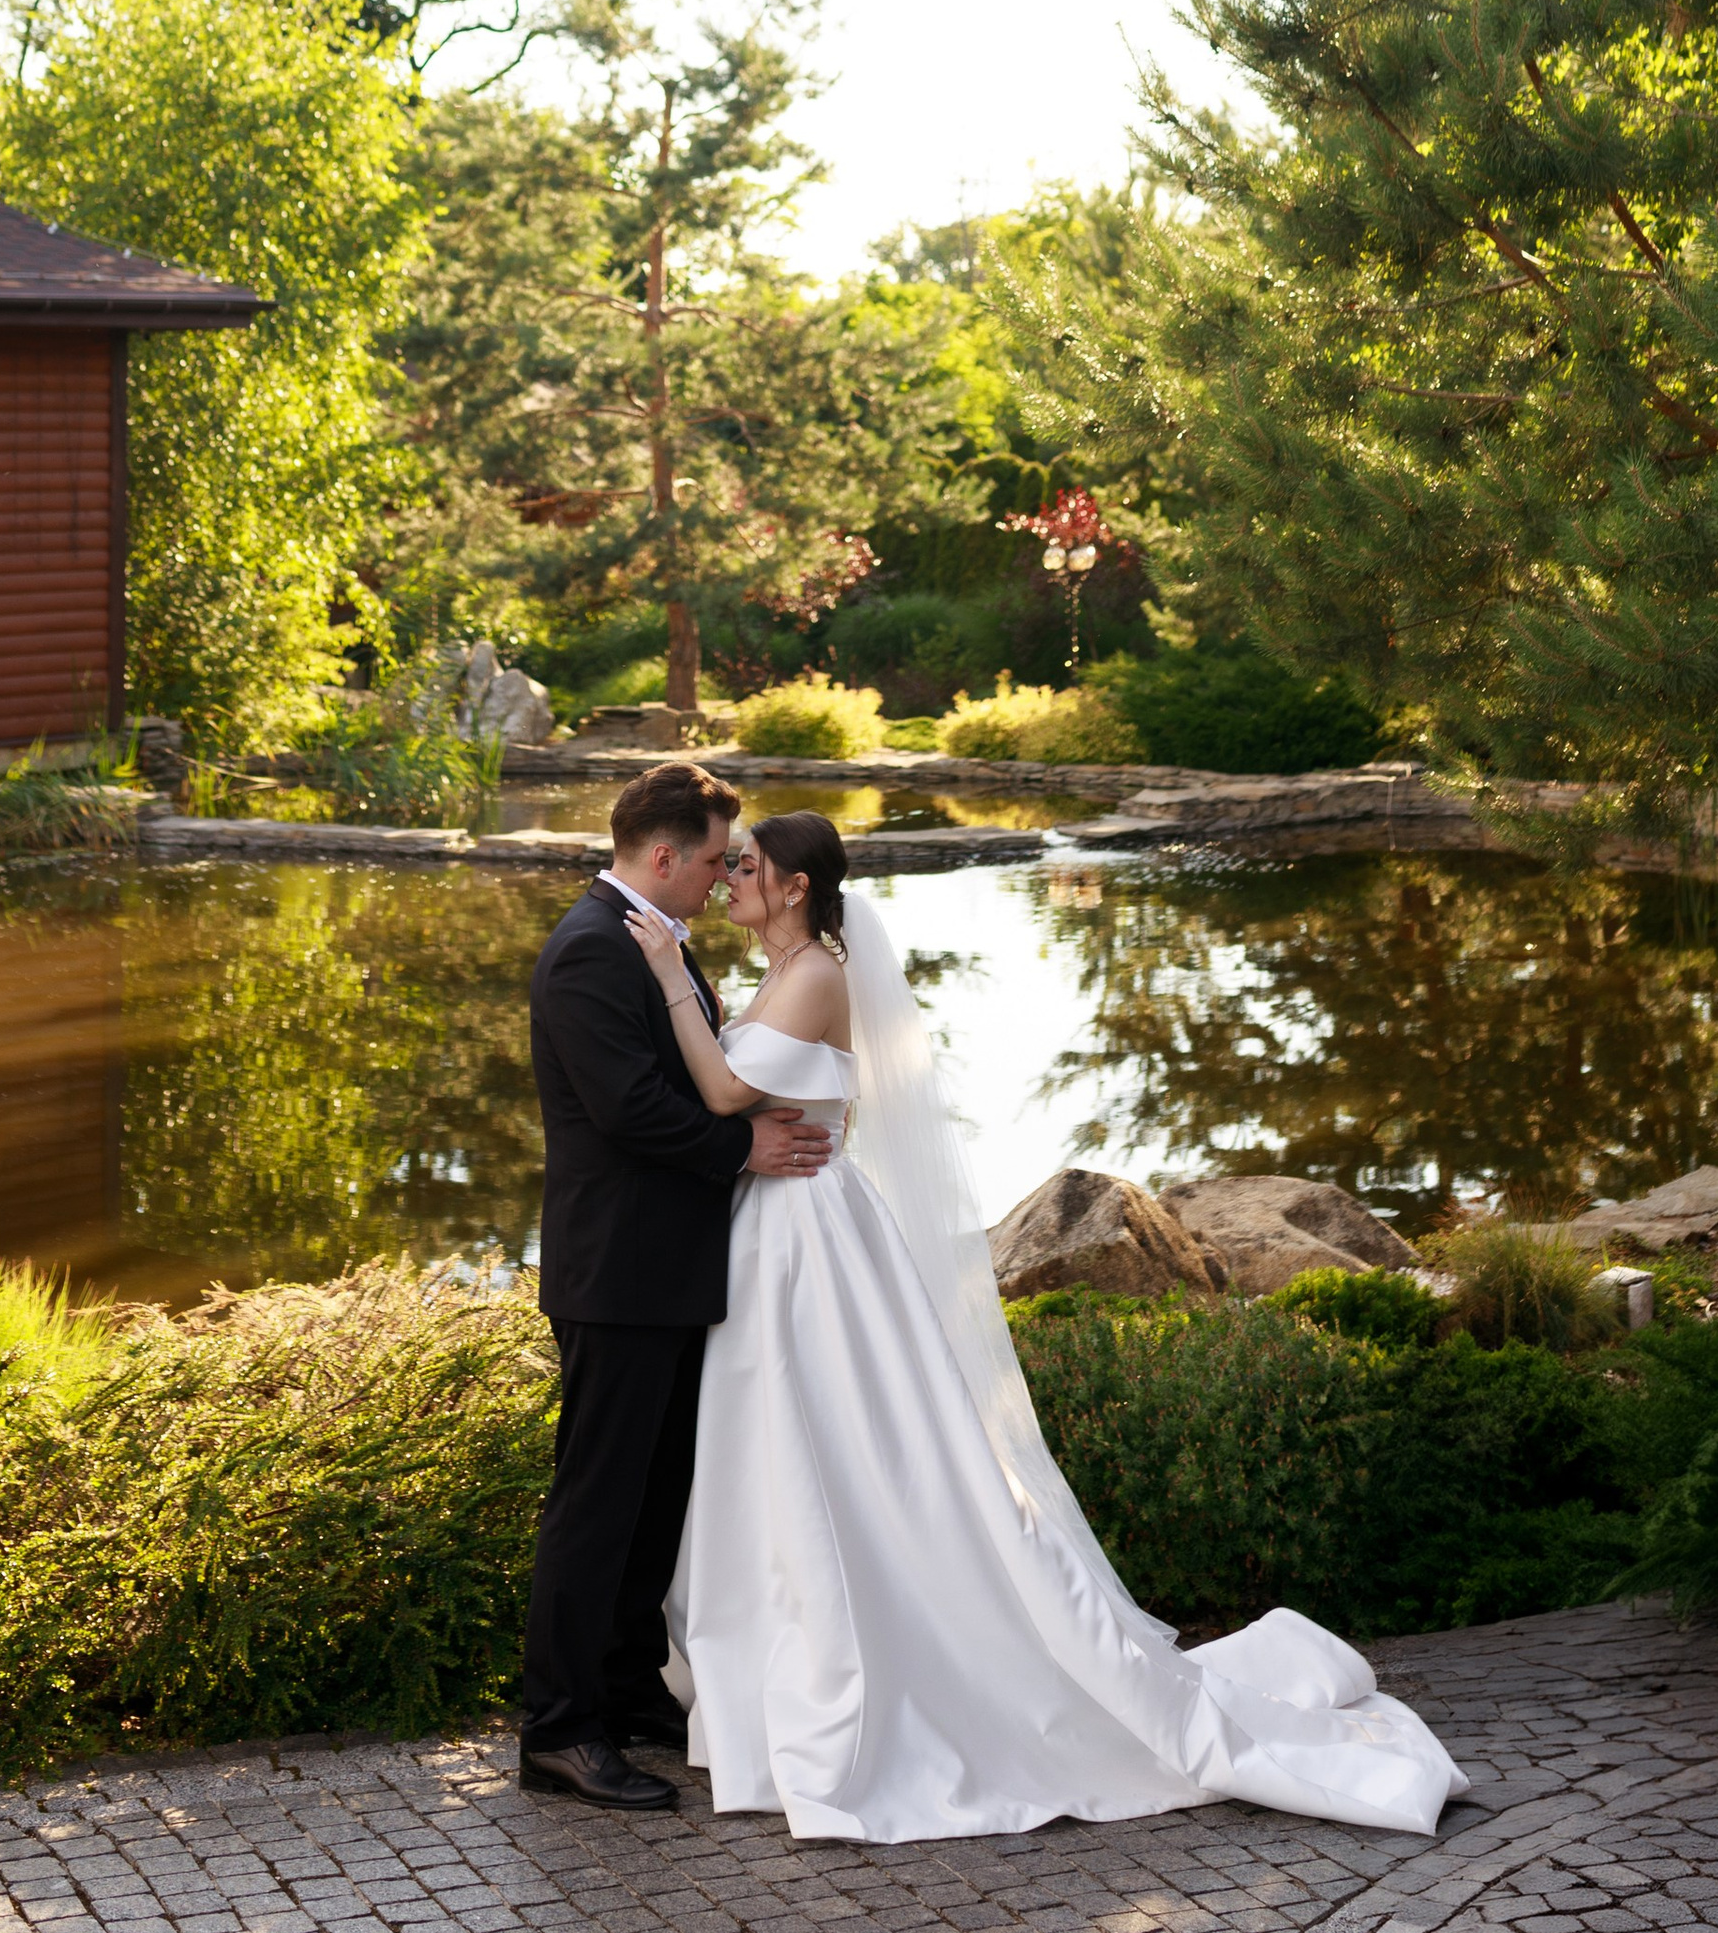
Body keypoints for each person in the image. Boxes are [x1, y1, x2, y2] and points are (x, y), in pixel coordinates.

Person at [618, 808, 1471, 1846]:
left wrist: (666, 975)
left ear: (797, 887)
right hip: (776, 1231)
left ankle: (871, 1669)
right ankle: (769, 1663)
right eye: (731, 862)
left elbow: (721, 1090)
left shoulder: (815, 977)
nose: (733, 876)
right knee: (780, 1446)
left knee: (837, 1436)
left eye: (749, 865)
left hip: (809, 1241)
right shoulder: (779, 972)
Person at [517, 759, 832, 1809]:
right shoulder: (588, 950)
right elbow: (629, 1111)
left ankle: (623, 1685)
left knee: (653, 1500)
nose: (721, 877)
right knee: (596, 1503)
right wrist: (745, 1147)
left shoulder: (648, 939)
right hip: (617, 1272)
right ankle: (559, 1732)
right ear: (663, 856)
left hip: (671, 1266)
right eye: (713, 861)